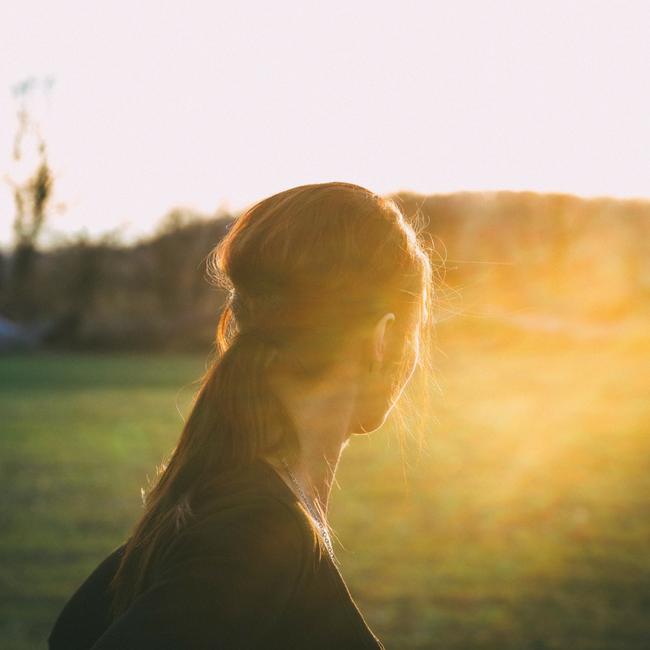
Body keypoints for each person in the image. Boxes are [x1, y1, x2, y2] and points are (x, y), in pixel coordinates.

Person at [48, 182, 433, 649]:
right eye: (417, 335)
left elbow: (74, 631)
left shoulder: (223, 500)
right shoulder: (255, 532)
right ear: (384, 340)